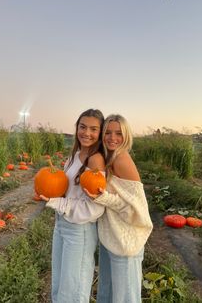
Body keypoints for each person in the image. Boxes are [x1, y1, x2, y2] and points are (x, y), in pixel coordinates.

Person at [85, 114, 153, 303]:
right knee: (107, 293)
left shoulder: (121, 160)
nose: (112, 138)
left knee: (126, 298)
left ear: (126, 135)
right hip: (110, 239)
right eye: (108, 132)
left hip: (126, 243)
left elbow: (137, 211)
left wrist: (104, 197)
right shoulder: (108, 158)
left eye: (118, 133)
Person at [40, 108, 105, 303]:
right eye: (82, 127)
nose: (87, 133)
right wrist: (48, 192)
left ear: (100, 133)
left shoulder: (95, 159)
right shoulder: (75, 154)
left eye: (94, 129)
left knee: (72, 292)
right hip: (62, 225)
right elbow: (67, 190)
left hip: (80, 230)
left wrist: (54, 201)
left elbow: (94, 207)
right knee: (60, 285)